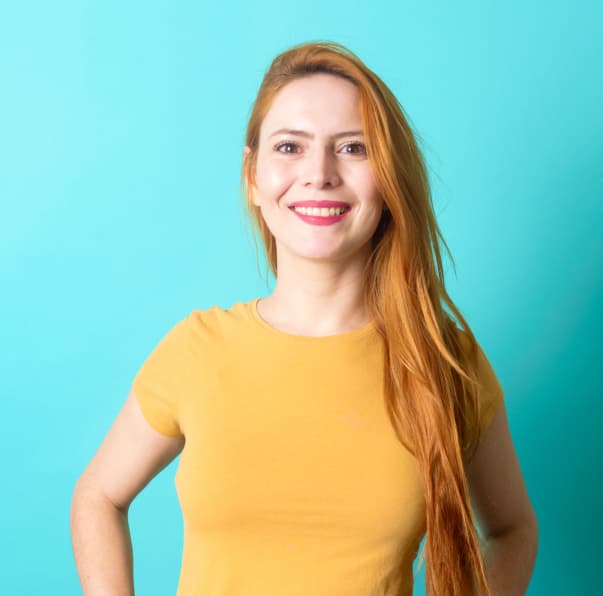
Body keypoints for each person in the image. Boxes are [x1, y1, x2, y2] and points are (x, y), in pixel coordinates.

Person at [70, 40, 538, 595]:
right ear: (253, 174)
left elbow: (512, 530)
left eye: (353, 148)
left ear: (389, 179)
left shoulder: (445, 361)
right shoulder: (198, 350)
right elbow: (98, 496)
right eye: (290, 147)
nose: (319, 174)